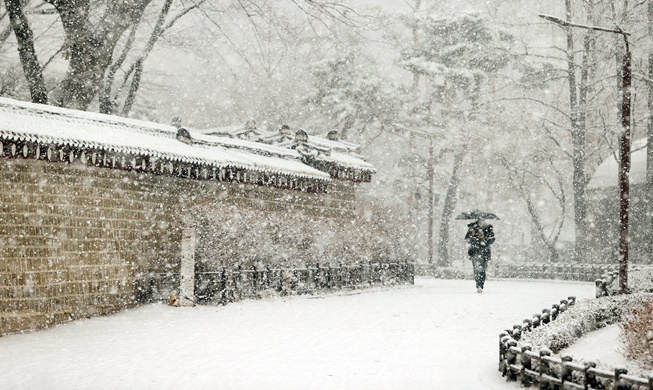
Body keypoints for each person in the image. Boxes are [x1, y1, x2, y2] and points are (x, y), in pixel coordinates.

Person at [465, 218, 495, 293]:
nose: (481, 221)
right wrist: (473, 236)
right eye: (480, 220)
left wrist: (484, 240)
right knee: (476, 269)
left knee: (482, 269)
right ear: (477, 220)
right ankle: (478, 284)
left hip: (485, 252)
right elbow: (467, 239)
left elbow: (492, 239)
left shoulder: (488, 228)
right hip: (475, 251)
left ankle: (481, 284)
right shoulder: (472, 228)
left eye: (482, 220)